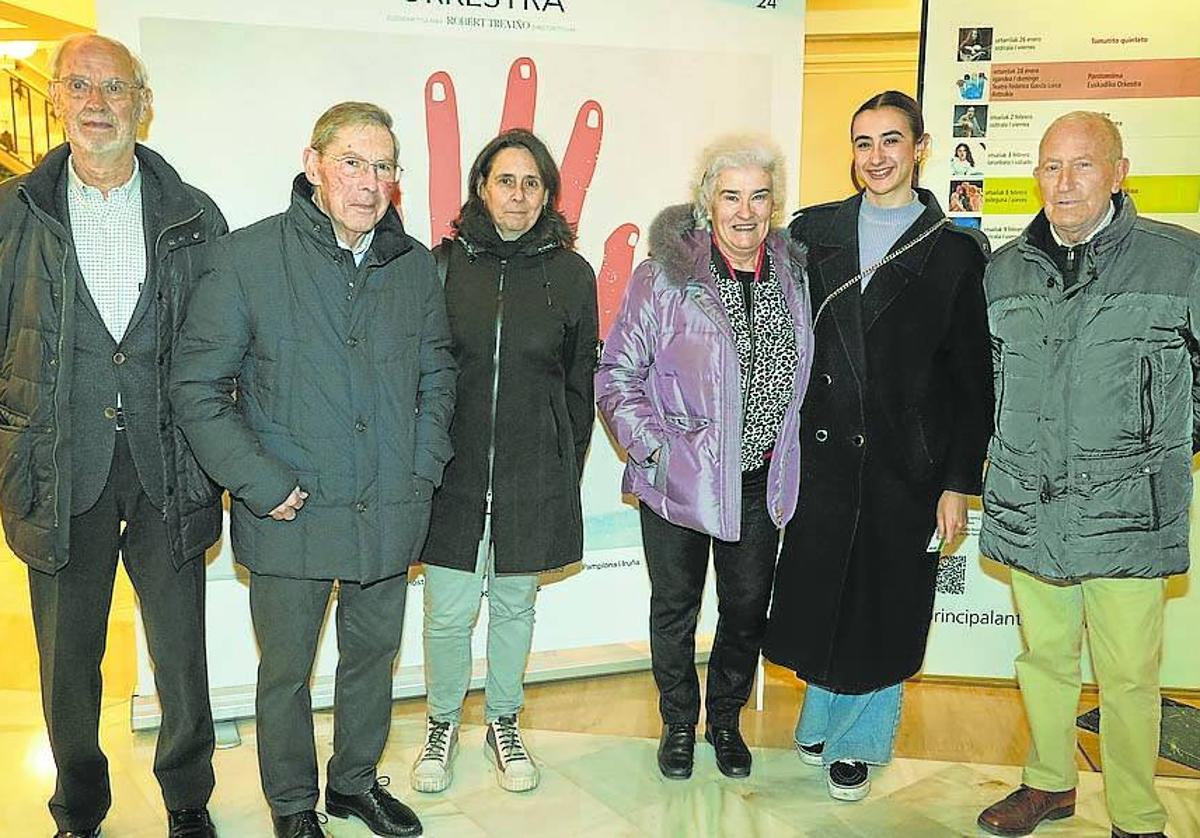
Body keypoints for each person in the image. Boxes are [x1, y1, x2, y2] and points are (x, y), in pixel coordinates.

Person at [171, 102, 455, 838]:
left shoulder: (414, 265)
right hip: (288, 510)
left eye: (384, 165)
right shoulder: (248, 258)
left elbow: (437, 372)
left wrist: (422, 470)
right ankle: (293, 806)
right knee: (286, 673)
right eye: (352, 162)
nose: (368, 181)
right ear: (314, 165)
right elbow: (197, 388)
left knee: (372, 661)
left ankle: (354, 784)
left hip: (388, 506)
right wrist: (261, 484)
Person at [0, 34, 225, 838]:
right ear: (57, 98)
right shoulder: (13, 215)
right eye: (81, 86)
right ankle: (78, 808)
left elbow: (220, 348)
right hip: (59, 471)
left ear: (143, 101)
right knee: (67, 662)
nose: (98, 103)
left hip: (169, 466)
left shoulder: (195, 215)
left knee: (181, 654)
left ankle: (188, 801)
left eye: (116, 88)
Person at [763, 90, 993, 803]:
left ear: (919, 147)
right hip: (824, 455)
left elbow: (972, 381)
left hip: (907, 462)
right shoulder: (811, 233)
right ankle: (823, 710)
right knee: (828, 592)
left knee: (885, 601)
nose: (876, 157)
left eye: (891, 141)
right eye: (863, 142)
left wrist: (958, 480)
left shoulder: (954, 251)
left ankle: (862, 738)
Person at [976, 111, 1199, 838]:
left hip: (1127, 511)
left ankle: (1136, 816)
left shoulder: (1178, 260)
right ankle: (1049, 783)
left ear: (1118, 172)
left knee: (1130, 675)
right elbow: (988, 383)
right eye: (1049, 166)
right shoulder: (1004, 270)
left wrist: (1165, 446)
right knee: (1042, 657)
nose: (1064, 182)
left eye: (1082, 165)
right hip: (1029, 503)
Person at [596, 135, 813, 781]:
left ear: (775, 203)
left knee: (747, 611)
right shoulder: (665, 276)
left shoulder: (795, 275)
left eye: (759, 195)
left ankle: (725, 719)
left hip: (759, 481)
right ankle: (678, 725)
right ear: (707, 202)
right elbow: (616, 375)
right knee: (676, 608)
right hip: (680, 483)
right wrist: (656, 451)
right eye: (731, 195)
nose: (745, 211)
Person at [409, 129, 597, 795]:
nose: (517, 195)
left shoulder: (574, 276)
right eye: (504, 180)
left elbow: (581, 384)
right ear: (480, 188)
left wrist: (560, 461)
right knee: (448, 612)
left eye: (531, 183)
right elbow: (418, 376)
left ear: (547, 194)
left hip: (532, 474)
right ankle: (439, 725)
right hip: (452, 477)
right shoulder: (440, 266)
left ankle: (504, 721)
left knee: (516, 606)